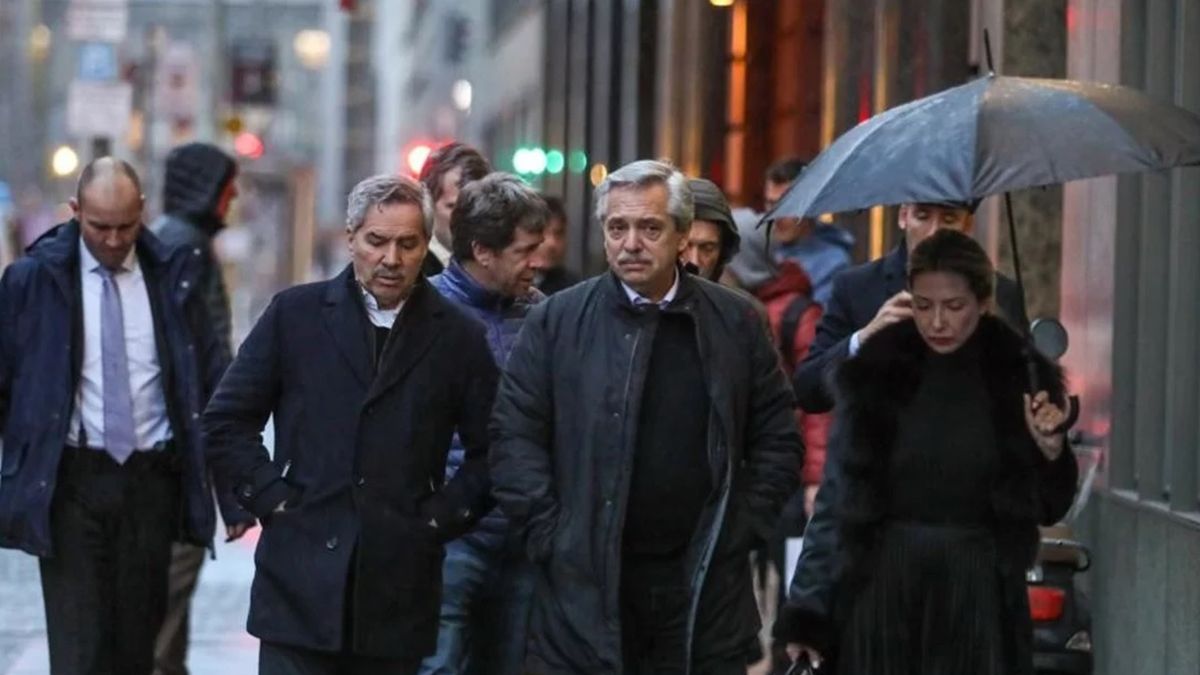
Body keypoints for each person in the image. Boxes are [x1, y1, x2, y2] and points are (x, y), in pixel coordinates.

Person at [489, 159, 803, 674]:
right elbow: (514, 434)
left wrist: (741, 527)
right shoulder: (558, 320)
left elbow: (777, 436)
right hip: (584, 589)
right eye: (618, 227)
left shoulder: (735, 321)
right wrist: (553, 534)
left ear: (682, 235)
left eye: (649, 228)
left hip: (702, 585)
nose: (631, 242)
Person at [202, 174, 499, 674]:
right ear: (351, 238)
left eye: (408, 244)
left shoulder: (457, 336)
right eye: (377, 241)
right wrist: (272, 497)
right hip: (298, 581)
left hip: (396, 588)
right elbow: (228, 418)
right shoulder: (295, 315)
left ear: (426, 245)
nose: (391, 258)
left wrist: (438, 518)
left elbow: (494, 448)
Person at [775, 229, 1078, 675]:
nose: (937, 322)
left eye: (953, 307)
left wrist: (1052, 449)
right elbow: (838, 501)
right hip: (881, 591)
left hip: (978, 596)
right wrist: (808, 610)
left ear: (983, 302)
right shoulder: (878, 372)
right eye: (923, 305)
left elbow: (1049, 505)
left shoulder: (1018, 377)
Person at [0, 158, 231, 674]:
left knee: (135, 650)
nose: (112, 239)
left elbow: (214, 383)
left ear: (142, 213)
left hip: (152, 481)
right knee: (79, 651)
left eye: (125, 226)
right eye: (99, 226)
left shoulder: (175, 276)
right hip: (72, 482)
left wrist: (235, 495)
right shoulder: (33, 281)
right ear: (76, 211)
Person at [420, 173, 548, 675]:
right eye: (524, 250)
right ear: (483, 250)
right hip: (449, 541)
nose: (537, 262)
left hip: (523, 539)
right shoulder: (422, 314)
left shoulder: (543, 316)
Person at [151, 140, 254, 675]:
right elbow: (212, 372)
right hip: (179, 460)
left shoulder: (180, 245)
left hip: (178, 456)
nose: (233, 196)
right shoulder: (185, 248)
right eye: (226, 186)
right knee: (168, 602)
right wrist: (231, 484)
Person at [793, 200, 1030, 414]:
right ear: (903, 216)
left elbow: (1024, 392)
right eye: (923, 216)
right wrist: (864, 338)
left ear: (967, 226)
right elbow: (808, 392)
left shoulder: (999, 294)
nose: (933, 232)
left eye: (948, 219)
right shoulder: (856, 287)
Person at [762, 158, 854, 306]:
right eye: (771, 204)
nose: (777, 215)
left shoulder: (831, 263)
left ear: (809, 205)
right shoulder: (759, 248)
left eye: (787, 205)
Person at [418, 143, 492, 277]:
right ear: (428, 206)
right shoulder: (413, 271)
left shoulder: (497, 268)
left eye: (475, 207)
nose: (466, 218)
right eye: (453, 207)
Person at [682, 177, 740, 282]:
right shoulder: (643, 297)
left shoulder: (732, 298)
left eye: (707, 249)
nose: (694, 261)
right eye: (684, 246)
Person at [530, 195, 582, 295]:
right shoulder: (506, 283)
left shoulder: (573, 291)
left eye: (559, 234)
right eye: (543, 233)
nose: (552, 243)